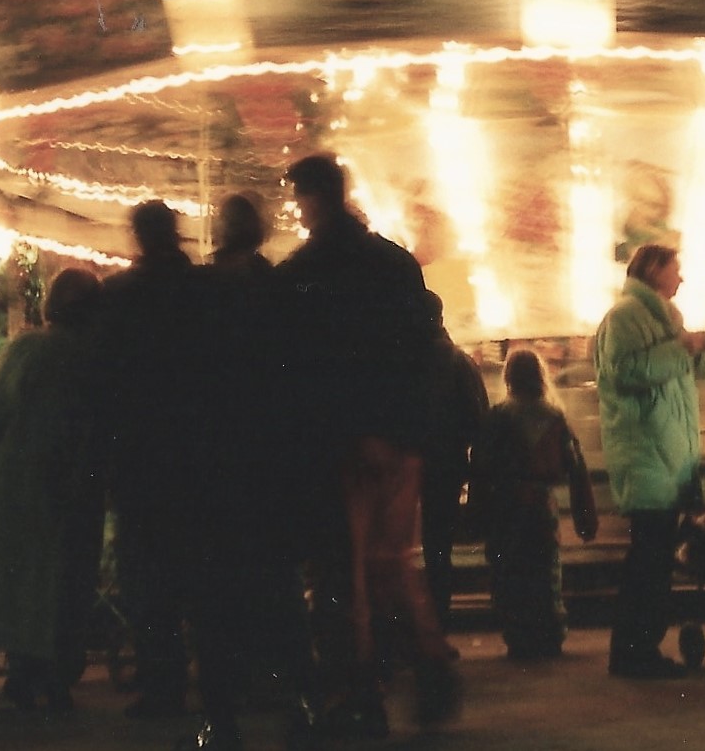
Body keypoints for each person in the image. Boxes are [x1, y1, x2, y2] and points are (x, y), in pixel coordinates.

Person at [277, 153, 457, 736]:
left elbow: (294, 364)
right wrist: (409, 428)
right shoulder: (393, 262)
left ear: (312, 199)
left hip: (340, 442)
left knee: (344, 572)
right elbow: (424, 346)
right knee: (393, 561)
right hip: (398, 441)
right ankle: (430, 668)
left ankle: (358, 691)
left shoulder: (305, 272)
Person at [176, 192, 321, 751]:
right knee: (278, 590)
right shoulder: (280, 290)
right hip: (269, 464)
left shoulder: (201, 291)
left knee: (215, 596)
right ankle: (298, 700)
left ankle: (222, 714)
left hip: (214, 464)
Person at [594, 243, 705, 679]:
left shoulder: (667, 321)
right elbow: (626, 372)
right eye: (675, 270)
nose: (682, 279)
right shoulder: (624, 317)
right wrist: (683, 347)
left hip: (669, 456)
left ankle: (640, 648)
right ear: (653, 269)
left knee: (656, 558)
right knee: (648, 559)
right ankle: (632, 652)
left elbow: (684, 370)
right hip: (646, 454)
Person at [0, 269, 106, 711]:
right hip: (79, 481)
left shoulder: (29, 348)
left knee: (26, 580)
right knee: (69, 577)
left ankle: (26, 672)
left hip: (24, 482)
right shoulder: (95, 357)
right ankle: (60, 674)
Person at [97, 199, 205, 720]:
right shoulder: (204, 292)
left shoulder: (118, 297)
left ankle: (161, 678)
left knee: (147, 575)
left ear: (138, 237)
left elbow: (105, 381)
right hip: (196, 453)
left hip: (139, 454)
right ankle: (213, 676)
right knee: (197, 571)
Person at [472, 349, 597, 660]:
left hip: (506, 506)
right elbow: (576, 468)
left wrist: (476, 513)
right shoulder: (555, 418)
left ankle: (518, 636)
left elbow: (480, 466)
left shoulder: (497, 417)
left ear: (509, 378)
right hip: (542, 505)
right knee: (545, 570)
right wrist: (585, 518)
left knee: (510, 570)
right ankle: (550, 634)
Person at [419, 293, 489, 629]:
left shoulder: (400, 361)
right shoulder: (458, 361)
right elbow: (478, 420)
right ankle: (438, 617)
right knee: (438, 546)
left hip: (403, 466)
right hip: (446, 466)